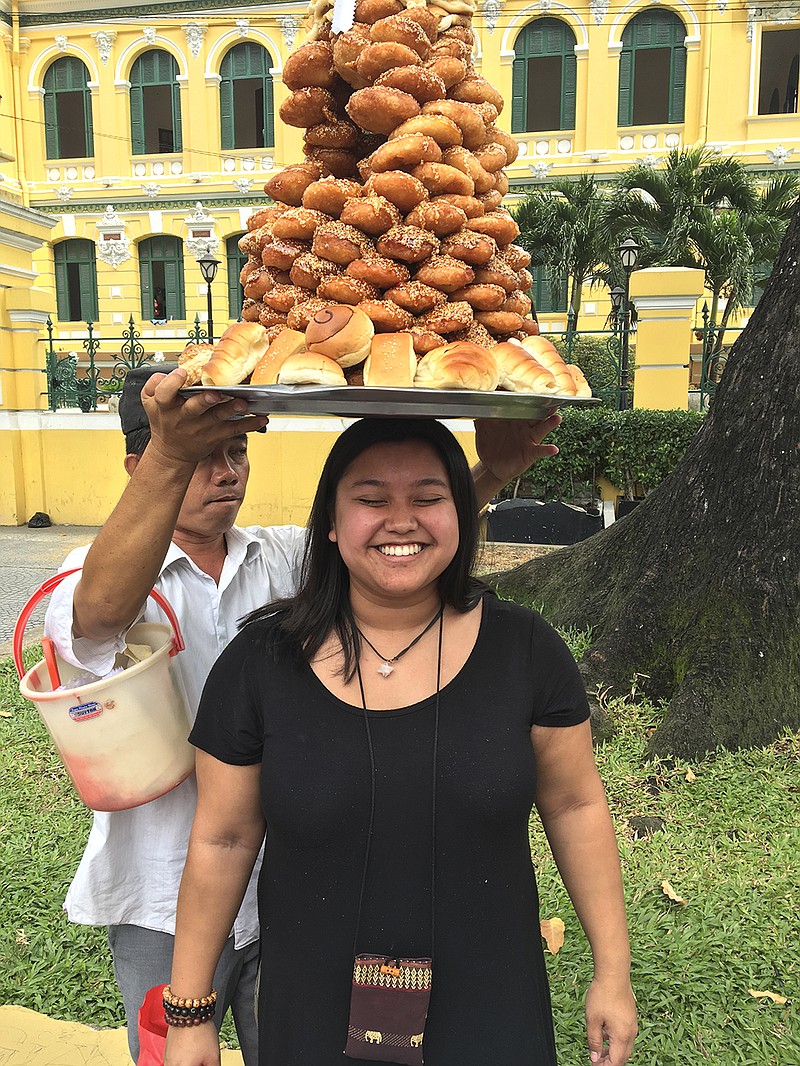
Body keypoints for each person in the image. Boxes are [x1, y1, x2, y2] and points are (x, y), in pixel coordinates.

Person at [44, 365, 561, 1064]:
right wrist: (173, 451)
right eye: (201, 457)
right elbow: (100, 619)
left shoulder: (280, 556)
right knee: (171, 1054)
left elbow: (388, 530)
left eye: (237, 452)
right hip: (163, 888)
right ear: (143, 465)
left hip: (294, 890)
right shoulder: (97, 573)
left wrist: (488, 475)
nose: (226, 473)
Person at [165, 417, 638, 1066]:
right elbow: (223, 839)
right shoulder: (260, 663)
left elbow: (575, 806)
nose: (401, 520)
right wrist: (190, 1013)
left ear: (460, 514)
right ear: (330, 520)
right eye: (370, 499)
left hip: (491, 1007)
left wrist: (612, 971)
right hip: (313, 1014)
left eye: (427, 498)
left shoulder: (526, 652)